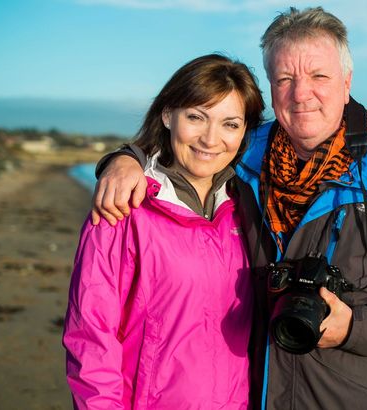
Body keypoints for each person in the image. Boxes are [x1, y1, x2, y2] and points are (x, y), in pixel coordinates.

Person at [92, 7, 367, 410]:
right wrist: (128, 159)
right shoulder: (246, 161)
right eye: (285, 79)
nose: (301, 93)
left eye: (319, 76)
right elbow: (193, 145)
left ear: (346, 82)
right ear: (272, 88)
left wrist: (355, 327)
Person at [62, 54, 265, 409]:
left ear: (245, 131)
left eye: (230, 124)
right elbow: (91, 337)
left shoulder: (248, 209)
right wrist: (124, 159)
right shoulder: (124, 206)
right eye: (196, 117)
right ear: (168, 115)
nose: (210, 139)